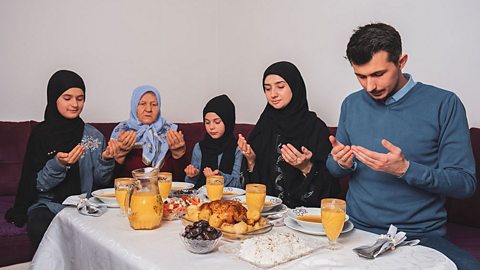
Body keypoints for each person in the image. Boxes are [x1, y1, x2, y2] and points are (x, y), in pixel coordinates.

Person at [326, 23, 479, 269]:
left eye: (378, 74)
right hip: (355, 229)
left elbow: (465, 183)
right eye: (360, 76)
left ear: (401, 61)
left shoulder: (444, 104)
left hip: (419, 236)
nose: (370, 86)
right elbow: (334, 169)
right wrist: (341, 162)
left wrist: (406, 170)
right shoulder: (351, 104)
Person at [4, 70, 117, 248]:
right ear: (54, 97)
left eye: (80, 98)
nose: (74, 104)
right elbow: (38, 185)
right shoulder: (41, 135)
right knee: (39, 226)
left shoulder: (93, 136)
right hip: (48, 206)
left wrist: (106, 160)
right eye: (67, 98)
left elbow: (101, 182)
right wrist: (59, 165)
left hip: (84, 206)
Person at [238, 61, 339, 208]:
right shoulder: (265, 124)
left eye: (280, 87)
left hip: (302, 218)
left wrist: (306, 167)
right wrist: (251, 160)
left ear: (295, 86)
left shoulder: (315, 128)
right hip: (266, 214)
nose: (273, 94)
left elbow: (331, 188)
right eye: (267, 89)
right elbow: (253, 189)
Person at [110, 85, 188, 180]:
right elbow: (109, 180)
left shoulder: (171, 132)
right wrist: (119, 157)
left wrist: (178, 154)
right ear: (134, 106)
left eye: (154, 104)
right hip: (131, 191)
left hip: (163, 191)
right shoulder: (122, 131)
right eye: (142, 104)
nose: (148, 109)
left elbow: (181, 179)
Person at [184, 94, 242, 188]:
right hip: (201, 198)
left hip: (228, 200)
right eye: (207, 122)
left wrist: (220, 178)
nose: (211, 127)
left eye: (217, 122)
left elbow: (239, 185)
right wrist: (192, 175)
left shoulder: (238, 149)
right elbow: (190, 185)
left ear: (228, 121)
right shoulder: (199, 147)